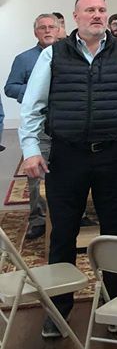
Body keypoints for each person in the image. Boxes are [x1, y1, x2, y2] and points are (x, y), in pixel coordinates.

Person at [19, 0, 117, 337]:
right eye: (90, 10)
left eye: (102, 10)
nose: (97, 15)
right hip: (67, 157)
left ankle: (114, 307)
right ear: (75, 16)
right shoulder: (53, 55)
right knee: (63, 234)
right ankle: (59, 311)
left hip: (114, 155)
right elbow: (32, 107)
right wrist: (31, 150)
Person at [4, 13, 59, 239]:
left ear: (58, 30)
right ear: (36, 32)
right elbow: (10, 87)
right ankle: (39, 219)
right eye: (42, 28)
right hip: (40, 126)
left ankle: (78, 214)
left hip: (68, 125)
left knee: (72, 174)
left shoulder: (70, 56)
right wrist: (35, 90)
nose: (47, 31)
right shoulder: (24, 59)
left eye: (51, 27)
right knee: (38, 175)